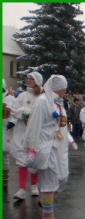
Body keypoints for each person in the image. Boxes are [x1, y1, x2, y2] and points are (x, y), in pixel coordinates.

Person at [24, 75, 70, 219]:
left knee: (63, 178)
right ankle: (47, 215)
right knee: (50, 180)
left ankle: (45, 200)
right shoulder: (42, 101)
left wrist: (70, 139)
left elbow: (61, 124)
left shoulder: (59, 103)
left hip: (60, 147)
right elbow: (33, 125)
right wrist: (31, 147)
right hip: (47, 146)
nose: (64, 91)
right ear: (57, 88)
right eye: (62, 89)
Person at [8, 72, 43, 200]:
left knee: (34, 158)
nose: (28, 81)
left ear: (37, 81)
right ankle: (21, 188)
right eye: (28, 78)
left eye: (31, 79)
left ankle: (34, 185)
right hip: (22, 131)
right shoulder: (22, 95)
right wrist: (23, 112)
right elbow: (14, 109)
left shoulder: (41, 97)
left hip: (36, 132)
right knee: (22, 159)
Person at [2, 79, 16, 189]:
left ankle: (4, 179)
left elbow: (15, 114)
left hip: (5, 128)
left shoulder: (10, 99)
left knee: (4, 154)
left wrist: (11, 123)